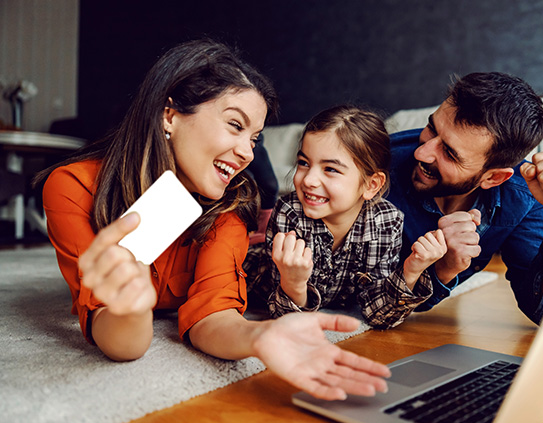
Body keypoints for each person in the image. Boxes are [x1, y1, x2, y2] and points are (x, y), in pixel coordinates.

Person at [35, 39, 390, 401]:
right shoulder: (73, 187)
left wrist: (258, 336)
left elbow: (213, 314)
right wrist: (131, 310)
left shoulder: (230, 206)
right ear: (169, 115)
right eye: (235, 125)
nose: (248, 153)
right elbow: (121, 341)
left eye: (255, 139)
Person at [387, 72, 543, 325]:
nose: (422, 152)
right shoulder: (374, 169)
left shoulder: (523, 195)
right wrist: (443, 270)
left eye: (449, 152)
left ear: (493, 178)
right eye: (431, 128)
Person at [246, 105, 447, 328]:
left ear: (371, 185)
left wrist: (412, 270)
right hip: (255, 282)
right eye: (304, 163)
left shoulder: (387, 221)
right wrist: (294, 282)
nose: (309, 180)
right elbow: (286, 318)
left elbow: (378, 315)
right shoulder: (290, 212)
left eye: (330, 169)